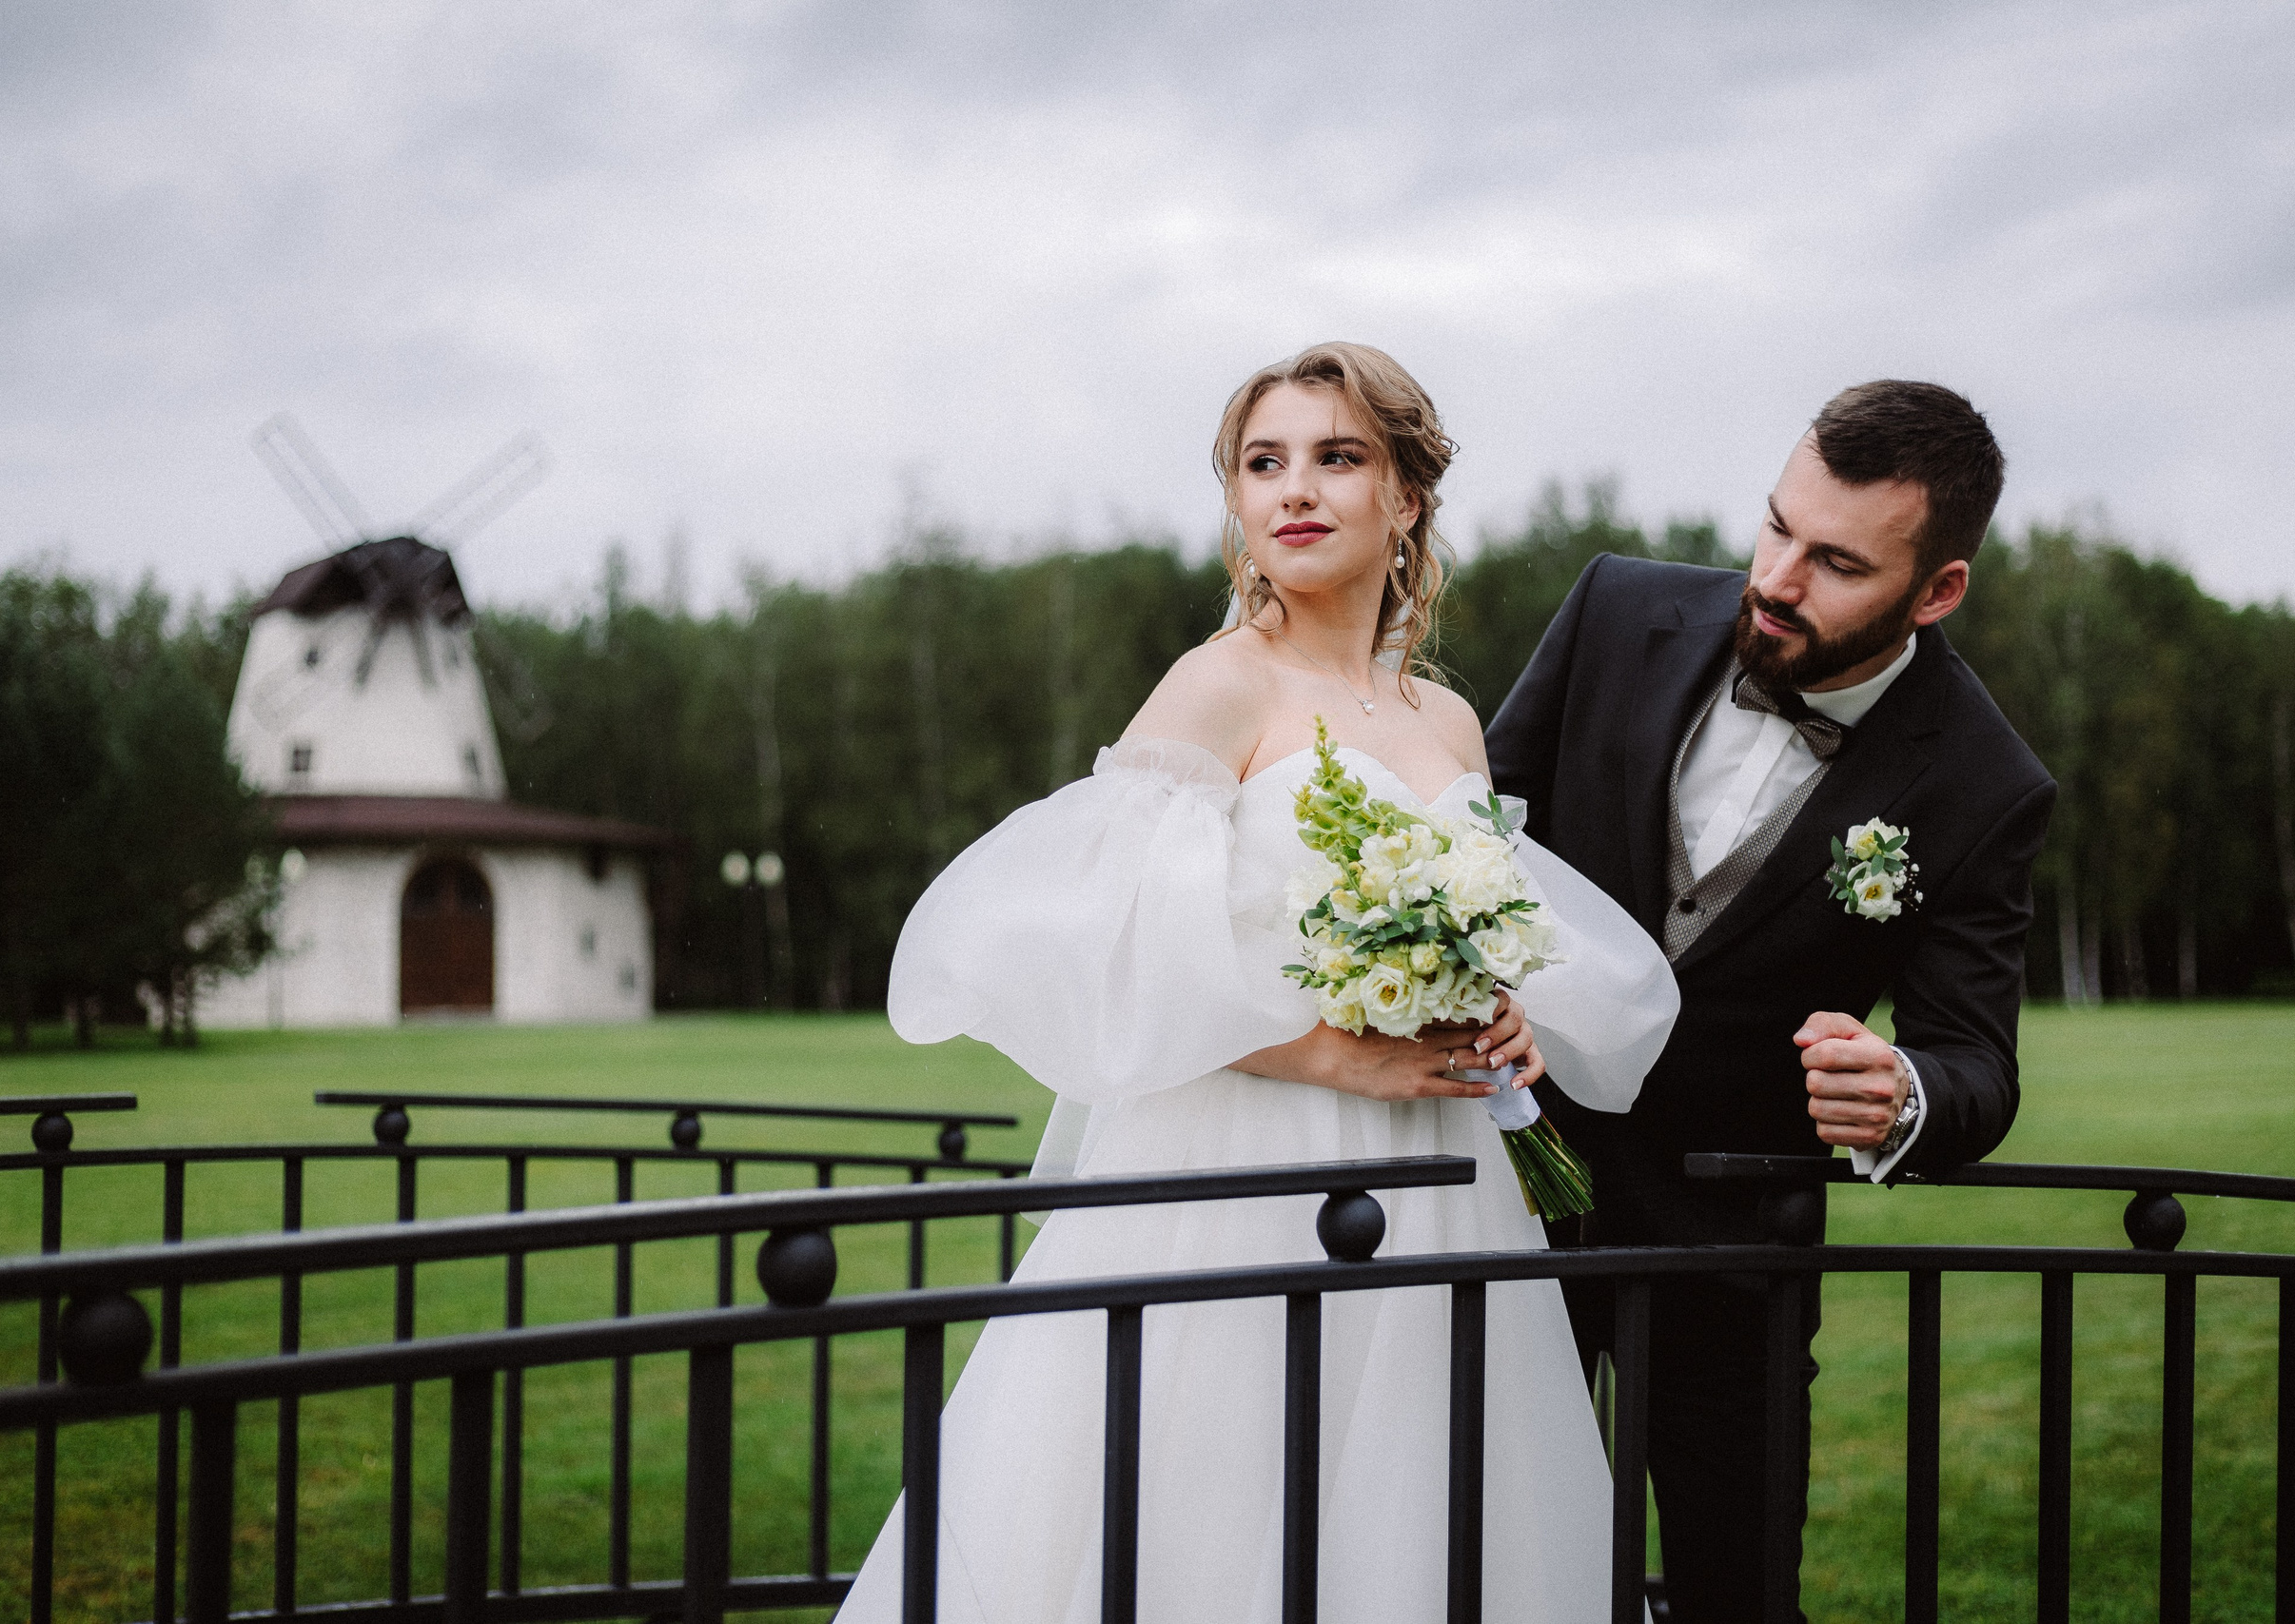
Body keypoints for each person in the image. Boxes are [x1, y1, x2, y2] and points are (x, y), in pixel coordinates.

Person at [836, 342, 1679, 1622]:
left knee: (1426, 1505)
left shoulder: (1445, 720)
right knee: (1212, 1497)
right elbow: (1112, 940)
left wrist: (1500, 1001)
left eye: (1339, 457)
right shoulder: (1220, 683)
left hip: (1445, 1177)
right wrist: (1324, 1050)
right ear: (1235, 500)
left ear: (1406, 499)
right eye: (1263, 461)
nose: (1297, 487)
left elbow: (1492, 908)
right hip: (1248, 1164)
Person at [1484, 380, 2057, 1623]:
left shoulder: (1983, 781)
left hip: (1728, 1253)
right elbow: (1468, 840)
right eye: (1776, 527)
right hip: (1504, 1205)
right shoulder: (1612, 609)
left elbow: (1976, 1064)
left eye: (1837, 561)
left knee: (1735, 1594)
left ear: (1938, 590)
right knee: (1454, 1566)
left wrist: (1902, 1089)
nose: (1780, 577)